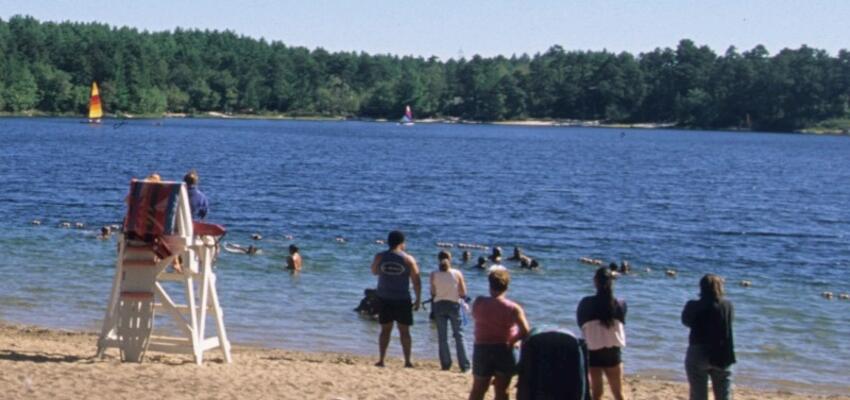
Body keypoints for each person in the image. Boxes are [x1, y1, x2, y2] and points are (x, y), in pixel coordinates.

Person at [468, 269, 531, 400]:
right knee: (502, 391)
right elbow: (525, 330)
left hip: (482, 348)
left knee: (478, 389)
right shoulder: (513, 307)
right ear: (507, 286)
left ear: (489, 285)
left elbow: (475, 317)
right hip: (504, 348)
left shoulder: (479, 301)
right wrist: (513, 341)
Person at [370, 230, 421, 368]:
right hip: (402, 298)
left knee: (385, 330)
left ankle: (381, 360)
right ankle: (407, 361)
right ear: (402, 243)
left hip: (384, 297)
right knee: (404, 331)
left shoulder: (380, 256)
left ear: (388, 242)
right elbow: (416, 280)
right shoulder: (408, 259)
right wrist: (418, 299)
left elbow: (374, 271)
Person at [577, 268, 628, 400]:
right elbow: (622, 321)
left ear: (595, 282)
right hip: (613, 351)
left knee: (596, 394)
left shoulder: (586, 303)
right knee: (618, 393)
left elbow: (581, 324)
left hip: (593, 351)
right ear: (612, 282)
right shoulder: (620, 304)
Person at [682, 274, 735, 400]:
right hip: (722, 352)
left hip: (698, 350)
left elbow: (686, 321)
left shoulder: (693, 305)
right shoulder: (728, 306)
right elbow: (730, 322)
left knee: (698, 395)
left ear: (701, 288)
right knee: (724, 395)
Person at [430, 250, 470, 372]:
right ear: (450, 259)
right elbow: (463, 292)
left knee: (442, 337)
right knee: (459, 335)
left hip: (439, 305)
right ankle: (465, 366)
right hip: (454, 305)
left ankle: (446, 364)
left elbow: (433, 292)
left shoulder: (433, 274)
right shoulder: (457, 273)